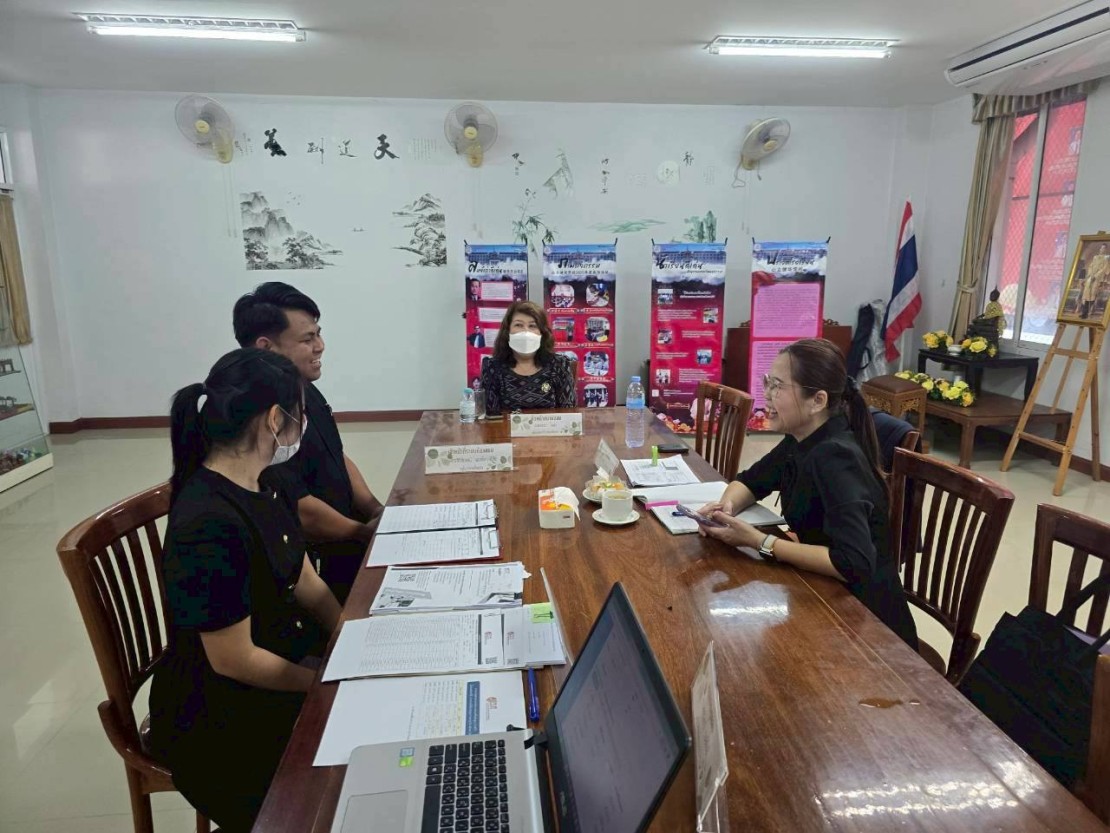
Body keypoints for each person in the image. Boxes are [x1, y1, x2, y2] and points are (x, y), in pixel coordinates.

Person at [150, 348, 341, 833]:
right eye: (298, 414)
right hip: (220, 718)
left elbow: (306, 580)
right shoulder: (208, 522)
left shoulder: (268, 480)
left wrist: (351, 642)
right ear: (275, 420)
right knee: (341, 789)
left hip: (281, 658)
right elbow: (235, 660)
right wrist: (322, 686)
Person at [698, 338, 918, 648]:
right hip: (822, 593)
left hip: (868, 626)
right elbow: (751, 481)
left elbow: (852, 562)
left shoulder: (835, 457)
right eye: (767, 382)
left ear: (817, 401)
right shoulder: (801, 437)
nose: (767, 395)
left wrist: (759, 541)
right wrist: (726, 508)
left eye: (778, 386)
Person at [233, 282, 383, 603]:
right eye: (307, 339)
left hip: (350, 541)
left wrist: (375, 509)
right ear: (266, 347)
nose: (320, 346)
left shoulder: (302, 387)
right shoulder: (256, 417)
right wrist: (362, 532)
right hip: (313, 567)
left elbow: (336, 455)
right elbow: (298, 509)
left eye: (318, 334)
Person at [481, 300, 577, 417]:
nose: (526, 332)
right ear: (507, 331)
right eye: (518, 325)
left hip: (550, 429)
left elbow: (568, 414)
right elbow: (490, 417)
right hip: (506, 429)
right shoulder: (493, 367)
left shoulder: (559, 364)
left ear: (542, 333)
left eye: (532, 326)